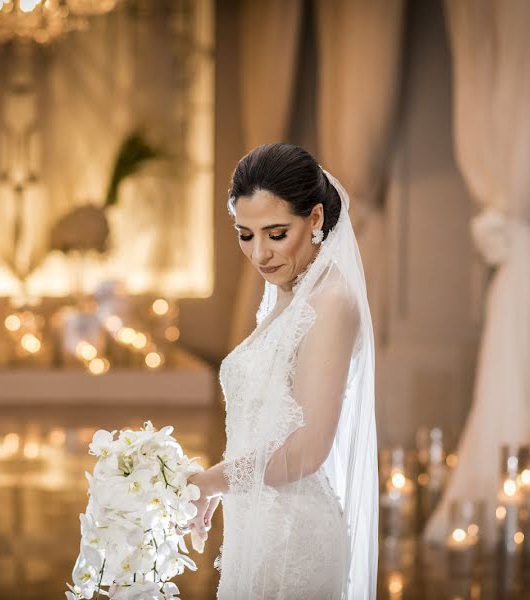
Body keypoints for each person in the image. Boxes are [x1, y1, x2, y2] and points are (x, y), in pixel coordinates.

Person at [185, 143, 379, 599]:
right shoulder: (290, 290)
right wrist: (221, 485)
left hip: (294, 540)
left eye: (276, 233)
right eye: (245, 234)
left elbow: (308, 450)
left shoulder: (332, 302)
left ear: (314, 220)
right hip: (258, 523)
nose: (259, 253)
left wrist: (213, 480)